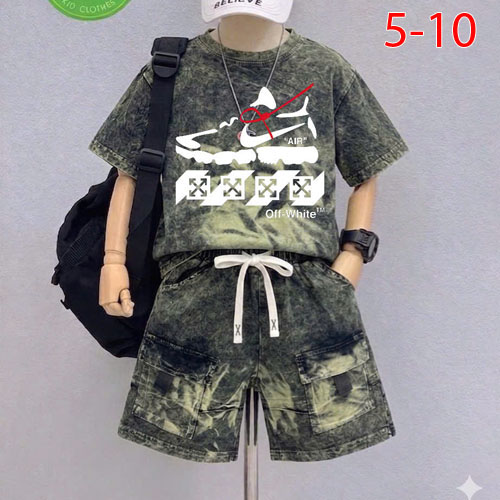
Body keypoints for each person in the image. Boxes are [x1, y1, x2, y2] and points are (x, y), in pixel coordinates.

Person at [90, 0, 409, 463]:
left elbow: (366, 169)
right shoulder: (169, 72)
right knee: (181, 423)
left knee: (327, 418)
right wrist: (113, 261)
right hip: (196, 290)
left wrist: (352, 256)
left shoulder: (325, 69)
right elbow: (128, 173)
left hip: (306, 292)